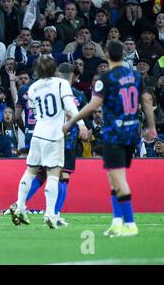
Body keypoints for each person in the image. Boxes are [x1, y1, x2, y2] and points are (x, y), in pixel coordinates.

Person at [63, 41, 157, 237]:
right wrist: (152, 127)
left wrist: (72, 121)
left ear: (106, 54)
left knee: (118, 178)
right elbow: (146, 101)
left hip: (115, 134)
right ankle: (116, 222)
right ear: (122, 55)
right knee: (112, 177)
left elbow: (92, 106)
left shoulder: (106, 79)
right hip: (132, 134)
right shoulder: (135, 76)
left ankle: (130, 224)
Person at [9, 57, 88, 229]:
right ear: (55, 70)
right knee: (53, 175)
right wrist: (81, 124)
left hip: (38, 133)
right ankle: (51, 215)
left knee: (30, 172)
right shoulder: (61, 83)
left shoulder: (32, 87)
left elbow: (35, 113)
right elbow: (70, 106)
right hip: (54, 135)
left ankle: (20, 207)